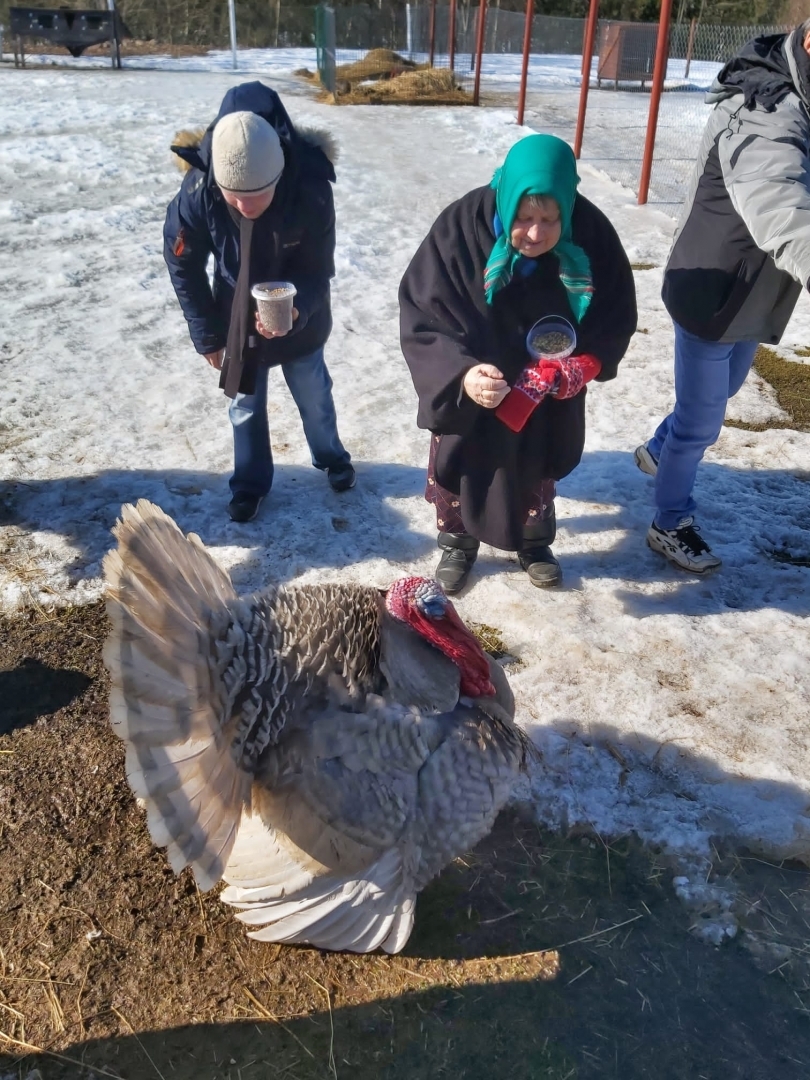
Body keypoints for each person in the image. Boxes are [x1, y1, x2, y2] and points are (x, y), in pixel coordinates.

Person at [399, 134, 637, 593]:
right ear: (506, 202)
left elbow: (615, 313)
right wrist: (462, 374)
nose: (535, 233)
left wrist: (584, 365)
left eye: (550, 220)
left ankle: (534, 541)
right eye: (524, 217)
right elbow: (424, 312)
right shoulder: (459, 230)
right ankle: (457, 541)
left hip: (544, 382)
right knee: (460, 456)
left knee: (537, 462)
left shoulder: (592, 233)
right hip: (475, 379)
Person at [636, 19, 810, 573]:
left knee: (726, 388)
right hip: (713, 291)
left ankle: (660, 449)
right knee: (701, 423)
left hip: (751, 293)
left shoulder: (797, 95)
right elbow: (778, 203)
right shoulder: (765, 112)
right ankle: (670, 522)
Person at [164, 81, 354, 523]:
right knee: (244, 403)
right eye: (235, 197)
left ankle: (332, 458)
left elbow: (317, 268)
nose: (246, 207)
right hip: (236, 316)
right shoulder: (198, 190)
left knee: (313, 391)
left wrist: (296, 309)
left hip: (299, 311)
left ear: (280, 172)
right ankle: (249, 483)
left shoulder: (310, 186)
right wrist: (209, 333)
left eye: (258, 197)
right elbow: (183, 263)